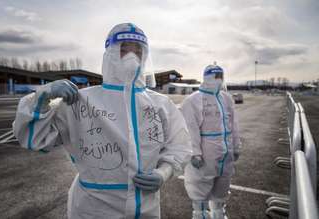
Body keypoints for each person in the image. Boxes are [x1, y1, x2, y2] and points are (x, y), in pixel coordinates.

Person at [13, 23, 192, 219]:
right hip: (94, 209)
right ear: (111, 54)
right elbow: (34, 138)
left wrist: (163, 173)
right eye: (124, 49)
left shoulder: (161, 104)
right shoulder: (81, 101)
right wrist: (42, 97)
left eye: (137, 51)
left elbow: (179, 145)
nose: (131, 56)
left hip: (145, 208)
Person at [181, 64, 241, 219]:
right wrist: (195, 153)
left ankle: (218, 213)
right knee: (200, 186)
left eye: (221, 76)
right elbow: (190, 129)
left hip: (225, 153)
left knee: (222, 185)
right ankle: (200, 214)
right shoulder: (193, 100)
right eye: (215, 76)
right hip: (205, 153)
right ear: (206, 77)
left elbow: (233, 124)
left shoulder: (226, 98)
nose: (218, 80)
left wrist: (236, 146)